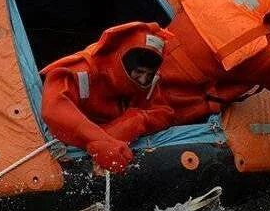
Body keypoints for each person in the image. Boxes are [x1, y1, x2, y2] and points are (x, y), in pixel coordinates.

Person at [41, 22, 175, 174]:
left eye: (149, 75)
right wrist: (99, 141)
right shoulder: (82, 70)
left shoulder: (151, 82)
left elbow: (164, 113)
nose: (144, 80)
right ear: (124, 62)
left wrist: (134, 122)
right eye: (139, 72)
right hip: (66, 142)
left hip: (104, 141)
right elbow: (53, 108)